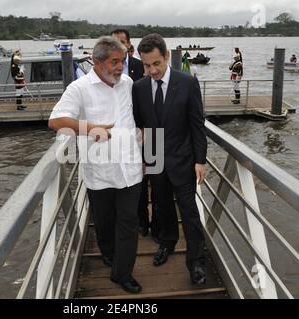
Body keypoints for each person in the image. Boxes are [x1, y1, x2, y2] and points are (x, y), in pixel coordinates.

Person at [48, 36, 143, 294]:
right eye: (114, 62)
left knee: (128, 222)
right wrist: (90, 129)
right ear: (98, 61)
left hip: (131, 169)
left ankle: (122, 273)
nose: (119, 67)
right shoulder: (79, 88)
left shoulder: (128, 83)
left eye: (122, 62)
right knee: (104, 222)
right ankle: (108, 252)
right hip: (99, 172)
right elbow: (55, 121)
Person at [133, 33, 207, 285]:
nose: (152, 70)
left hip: (183, 159)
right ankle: (167, 243)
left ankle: (196, 262)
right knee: (162, 207)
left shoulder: (187, 82)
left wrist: (201, 160)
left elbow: (197, 126)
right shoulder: (139, 88)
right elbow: (141, 125)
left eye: (156, 64)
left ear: (166, 56)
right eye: (146, 65)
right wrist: (143, 156)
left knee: (189, 212)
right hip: (153, 155)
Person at [110, 29, 157, 239]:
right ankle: (141, 221)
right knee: (134, 180)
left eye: (121, 41)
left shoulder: (143, 66)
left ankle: (159, 224)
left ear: (129, 45)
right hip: (126, 136)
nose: (118, 45)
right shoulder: (106, 69)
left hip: (151, 132)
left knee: (155, 180)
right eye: (114, 42)